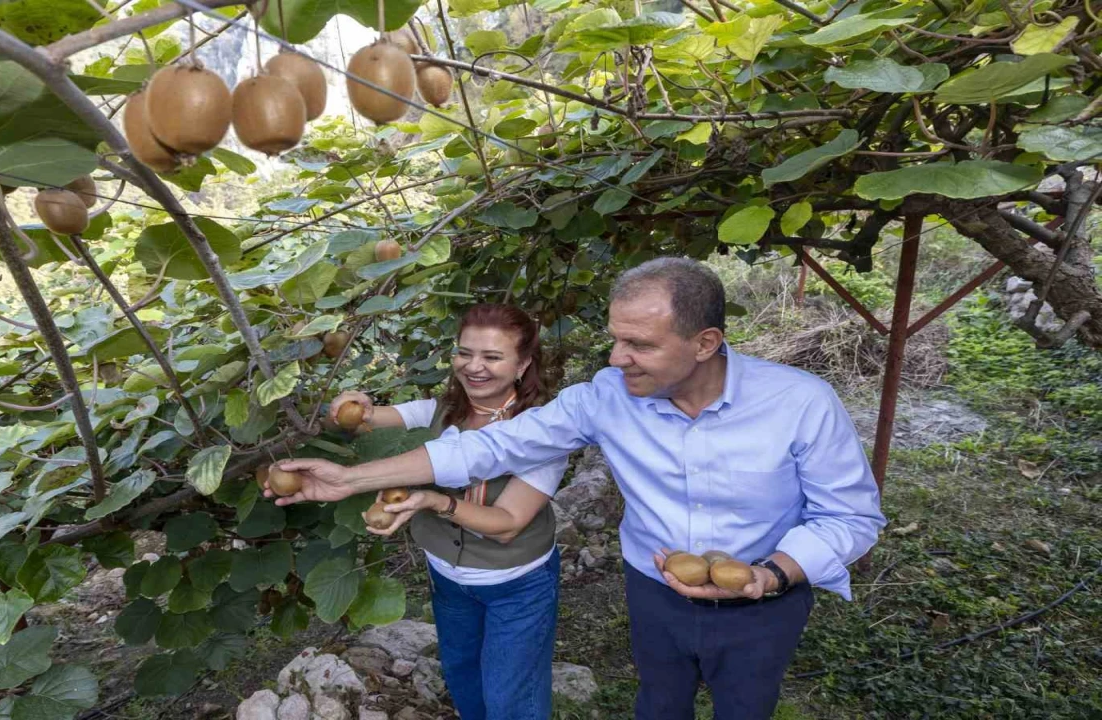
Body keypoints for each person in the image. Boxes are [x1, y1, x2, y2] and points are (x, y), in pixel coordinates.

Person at [270, 258, 887, 720]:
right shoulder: (606, 397)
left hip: (765, 598)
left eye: (639, 344)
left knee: (745, 708)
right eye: (616, 338)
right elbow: (489, 447)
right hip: (654, 590)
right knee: (659, 703)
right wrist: (350, 479)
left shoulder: (800, 403)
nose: (617, 358)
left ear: (705, 343)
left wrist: (771, 575)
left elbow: (851, 517)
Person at [330, 303, 567, 720]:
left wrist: (436, 501)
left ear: (522, 364)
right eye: (464, 353)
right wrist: (352, 404)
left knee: (511, 698)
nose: (473, 367)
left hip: (517, 586)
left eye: (492, 357)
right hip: (448, 579)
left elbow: (507, 525)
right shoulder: (438, 411)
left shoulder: (544, 431)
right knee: (462, 676)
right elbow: (363, 419)